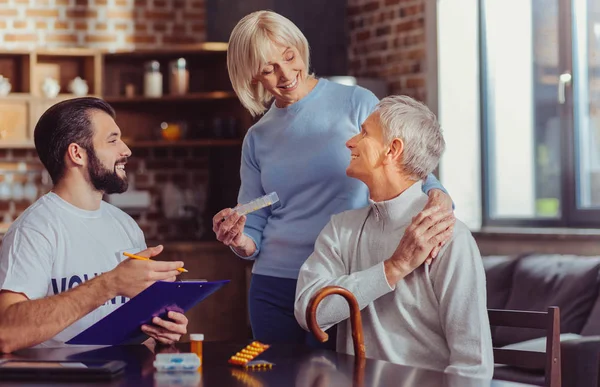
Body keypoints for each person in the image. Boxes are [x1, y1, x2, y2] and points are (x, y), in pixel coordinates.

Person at [212, 10, 455, 347]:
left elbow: (406, 165)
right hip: (272, 286)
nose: (285, 75)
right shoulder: (257, 137)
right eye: (268, 69)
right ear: (252, 76)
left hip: (341, 281)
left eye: (289, 56)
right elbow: (254, 230)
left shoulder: (356, 103)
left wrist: (439, 194)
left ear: (300, 47)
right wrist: (239, 239)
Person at [294, 96, 493, 379]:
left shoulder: (450, 238)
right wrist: (393, 268)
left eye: (364, 133)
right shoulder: (341, 229)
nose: (350, 141)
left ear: (392, 149)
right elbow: (307, 312)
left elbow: (473, 365)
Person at [0, 97, 188, 353]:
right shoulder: (33, 230)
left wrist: (161, 328)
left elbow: (141, 325)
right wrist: (110, 283)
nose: (126, 150)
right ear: (77, 153)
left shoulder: (125, 225)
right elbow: (7, 333)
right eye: (112, 140)